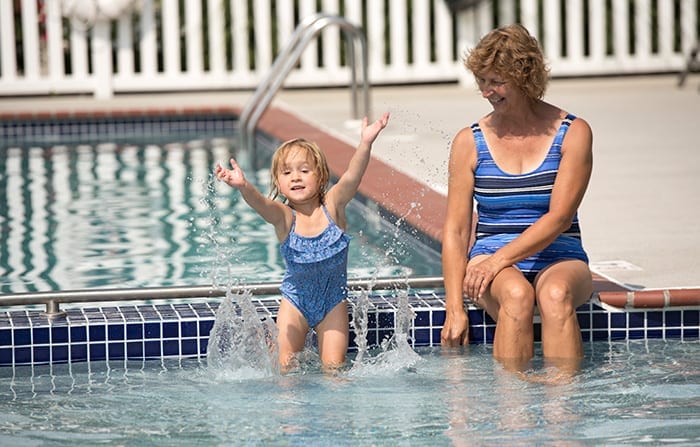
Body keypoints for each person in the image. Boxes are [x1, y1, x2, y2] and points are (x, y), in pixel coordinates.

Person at [440, 24, 593, 371]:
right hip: (489, 256)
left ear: (524, 76)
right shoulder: (470, 141)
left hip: (560, 253)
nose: (486, 91)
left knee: (555, 296)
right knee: (516, 295)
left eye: (496, 81)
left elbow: (559, 218)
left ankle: (563, 413)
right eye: (481, 80)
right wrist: (454, 308)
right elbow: (456, 230)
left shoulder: (573, 132)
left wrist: (500, 260)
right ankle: (512, 413)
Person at [214, 112, 390, 371]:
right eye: (287, 173)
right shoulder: (285, 218)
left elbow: (352, 177)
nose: (295, 177)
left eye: (304, 171)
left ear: (320, 176)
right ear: (278, 182)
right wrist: (244, 186)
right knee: (286, 368)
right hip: (295, 303)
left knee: (334, 369)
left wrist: (365, 143)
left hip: (333, 302)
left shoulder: (333, 207)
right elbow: (262, 204)